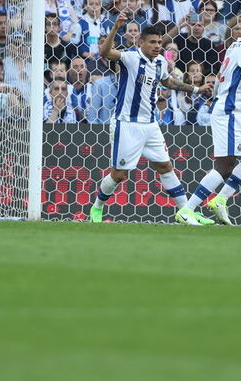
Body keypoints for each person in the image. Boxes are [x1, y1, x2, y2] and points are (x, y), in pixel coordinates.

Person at [88, 13, 211, 224]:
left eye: (159, 42)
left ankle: (185, 211)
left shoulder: (161, 61)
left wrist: (197, 88)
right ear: (141, 42)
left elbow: (170, 83)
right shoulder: (130, 57)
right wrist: (116, 27)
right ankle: (97, 207)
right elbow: (105, 52)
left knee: (165, 166)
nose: (157, 46)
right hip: (126, 123)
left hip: (151, 124)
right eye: (152, 42)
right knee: (119, 175)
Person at [177, 18, 241, 225]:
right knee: (225, 166)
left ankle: (221, 200)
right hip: (229, 111)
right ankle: (187, 210)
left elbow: (224, 73)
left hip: (234, 112)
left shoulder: (235, 46)